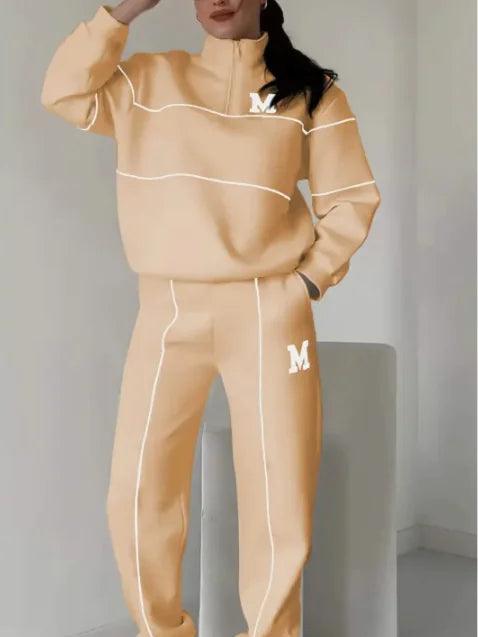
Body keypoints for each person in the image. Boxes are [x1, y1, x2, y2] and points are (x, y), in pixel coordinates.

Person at [40, 0, 381, 635]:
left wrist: (306, 281)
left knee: (280, 497)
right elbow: (63, 91)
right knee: (138, 491)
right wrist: (120, 12)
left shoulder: (311, 92)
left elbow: (352, 198)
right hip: (168, 308)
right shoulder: (149, 80)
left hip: (270, 312)